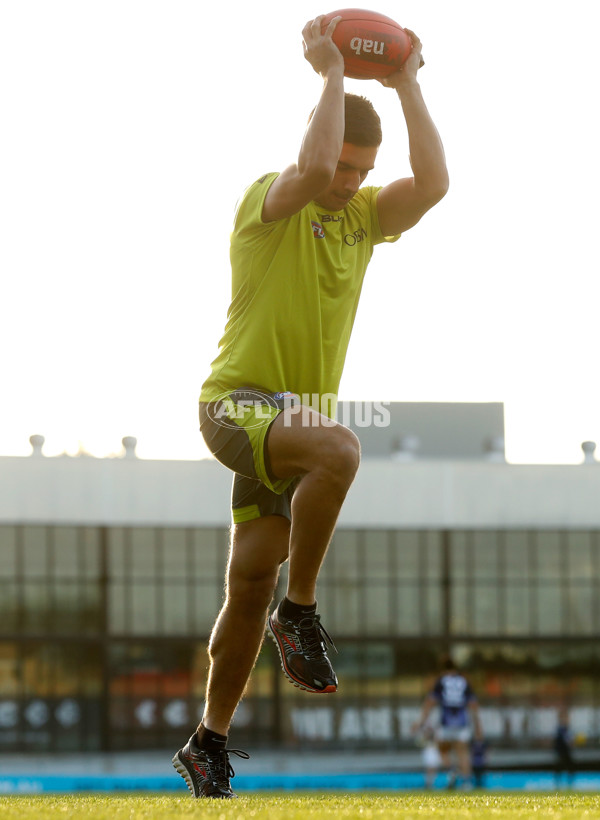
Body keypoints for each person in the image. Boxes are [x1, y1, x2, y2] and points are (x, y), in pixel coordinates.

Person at [172, 14, 449, 799]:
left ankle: (207, 742)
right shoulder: (273, 199)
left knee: (249, 580)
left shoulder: (363, 220)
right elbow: (314, 161)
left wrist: (408, 83)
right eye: (342, 166)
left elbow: (432, 185)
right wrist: (331, 72)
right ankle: (301, 617)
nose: (347, 181)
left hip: (286, 428)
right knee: (341, 450)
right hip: (236, 405)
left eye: (362, 170)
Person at [413, 658, 483, 790]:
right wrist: (478, 725)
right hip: (462, 722)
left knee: (442, 749)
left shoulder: (442, 681)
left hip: (446, 722)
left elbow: (430, 702)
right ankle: (466, 782)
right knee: (462, 752)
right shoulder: (464, 681)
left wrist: (420, 722)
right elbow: (473, 704)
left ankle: (451, 771)